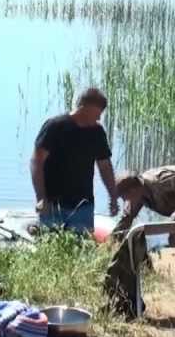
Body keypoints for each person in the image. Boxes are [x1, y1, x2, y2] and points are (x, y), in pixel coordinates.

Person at [30, 87, 118, 235]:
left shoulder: (97, 132)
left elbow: (105, 167)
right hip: (53, 203)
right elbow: (36, 162)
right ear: (84, 107)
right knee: (51, 247)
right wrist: (41, 197)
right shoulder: (55, 126)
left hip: (83, 205)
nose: (98, 119)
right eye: (97, 113)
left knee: (81, 249)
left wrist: (113, 196)